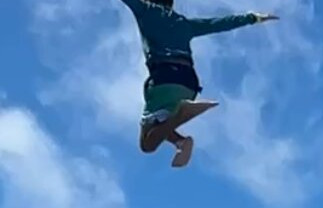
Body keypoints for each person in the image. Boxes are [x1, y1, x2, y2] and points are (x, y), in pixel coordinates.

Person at [116, 0, 279, 168]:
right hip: (189, 84)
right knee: (158, 127)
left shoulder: (146, 10)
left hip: (164, 79)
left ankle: (182, 114)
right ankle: (181, 142)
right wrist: (253, 17)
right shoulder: (184, 24)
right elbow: (218, 23)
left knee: (147, 144)